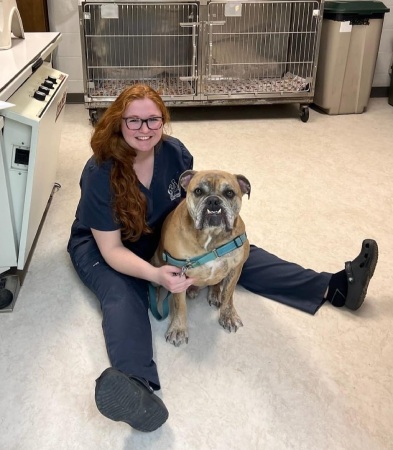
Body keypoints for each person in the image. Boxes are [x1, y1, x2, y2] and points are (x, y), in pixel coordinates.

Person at [67, 84, 378, 433]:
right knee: (123, 295)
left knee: (239, 254)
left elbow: (196, 202)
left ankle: (334, 287)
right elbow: (112, 251)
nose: (144, 129)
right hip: (106, 246)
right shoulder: (100, 172)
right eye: (134, 120)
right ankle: (136, 384)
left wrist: (217, 242)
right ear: (118, 122)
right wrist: (157, 276)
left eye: (153, 119)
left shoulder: (175, 153)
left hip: (164, 231)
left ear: (163, 121)